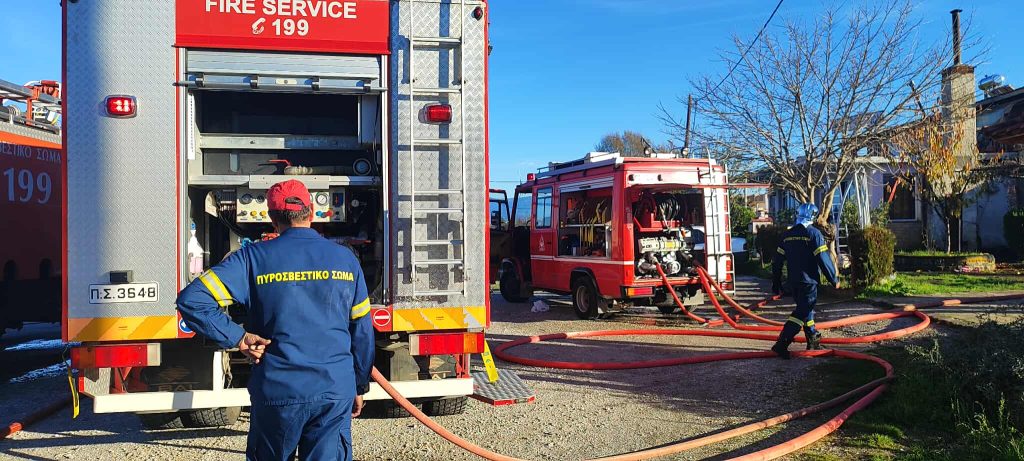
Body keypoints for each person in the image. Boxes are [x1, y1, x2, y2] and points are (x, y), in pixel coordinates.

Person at [176, 179, 375, 461]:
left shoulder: (251, 259)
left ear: (272, 218)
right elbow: (362, 331)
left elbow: (192, 300)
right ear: (311, 212)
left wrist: (238, 337)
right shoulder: (346, 260)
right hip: (333, 389)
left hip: (278, 390)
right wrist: (359, 385)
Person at [770, 203, 840, 359]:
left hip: (793, 282)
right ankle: (782, 343)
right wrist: (833, 279)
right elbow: (823, 258)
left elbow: (777, 261)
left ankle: (813, 339)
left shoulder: (787, 235)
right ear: (813, 217)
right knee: (802, 311)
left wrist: (776, 282)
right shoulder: (813, 234)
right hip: (808, 281)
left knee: (806, 310)